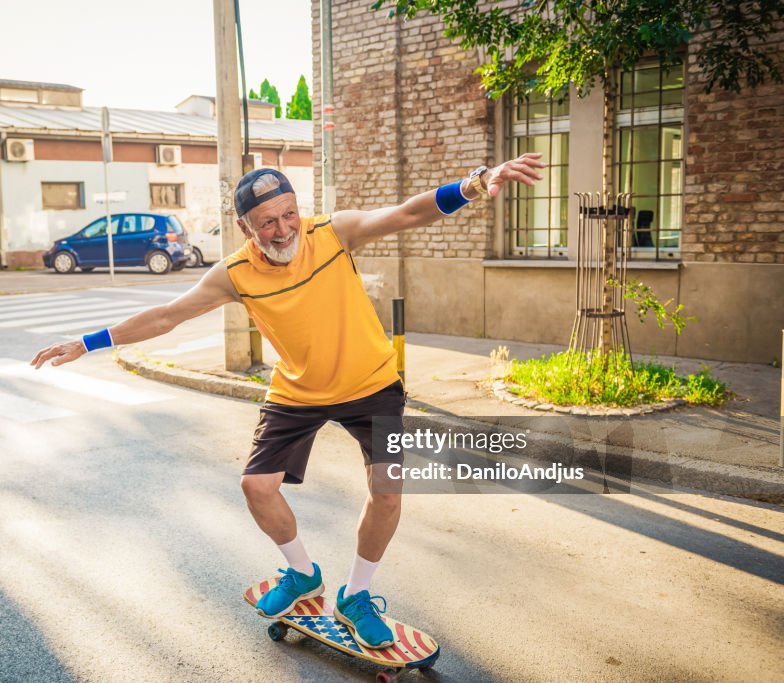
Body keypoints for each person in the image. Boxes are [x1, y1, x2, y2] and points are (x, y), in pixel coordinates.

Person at [30, 153, 545, 648]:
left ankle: (356, 595)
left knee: (387, 492)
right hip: (298, 391)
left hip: (372, 383)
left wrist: (476, 182)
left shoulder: (334, 233)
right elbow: (167, 316)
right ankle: (302, 573)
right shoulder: (235, 274)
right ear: (245, 228)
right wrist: (87, 343)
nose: (283, 230)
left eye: (288, 214)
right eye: (267, 223)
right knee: (256, 487)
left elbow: (407, 213)